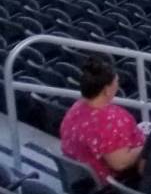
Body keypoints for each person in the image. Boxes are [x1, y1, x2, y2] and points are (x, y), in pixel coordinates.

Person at [59, 56, 145, 186]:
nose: (118, 84)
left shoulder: (76, 108)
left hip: (81, 179)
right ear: (106, 90)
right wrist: (148, 145)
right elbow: (120, 163)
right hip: (110, 187)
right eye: (116, 81)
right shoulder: (109, 120)